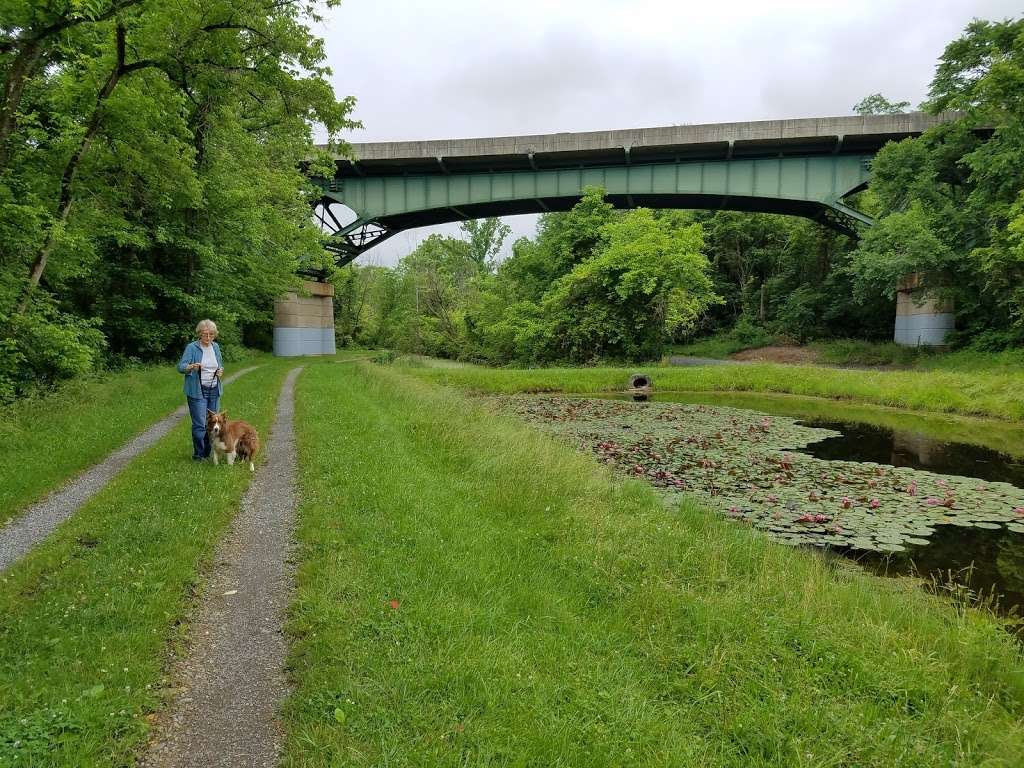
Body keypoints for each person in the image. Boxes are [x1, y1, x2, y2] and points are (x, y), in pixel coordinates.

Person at [177, 319, 225, 460]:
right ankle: (198, 455)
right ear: (199, 334)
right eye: (205, 334)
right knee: (199, 424)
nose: (208, 338)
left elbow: (220, 365)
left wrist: (220, 372)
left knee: (212, 423)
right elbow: (180, 367)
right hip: (197, 390)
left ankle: (208, 453)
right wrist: (191, 367)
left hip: (214, 389)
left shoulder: (215, 347)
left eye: (211, 334)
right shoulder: (192, 348)